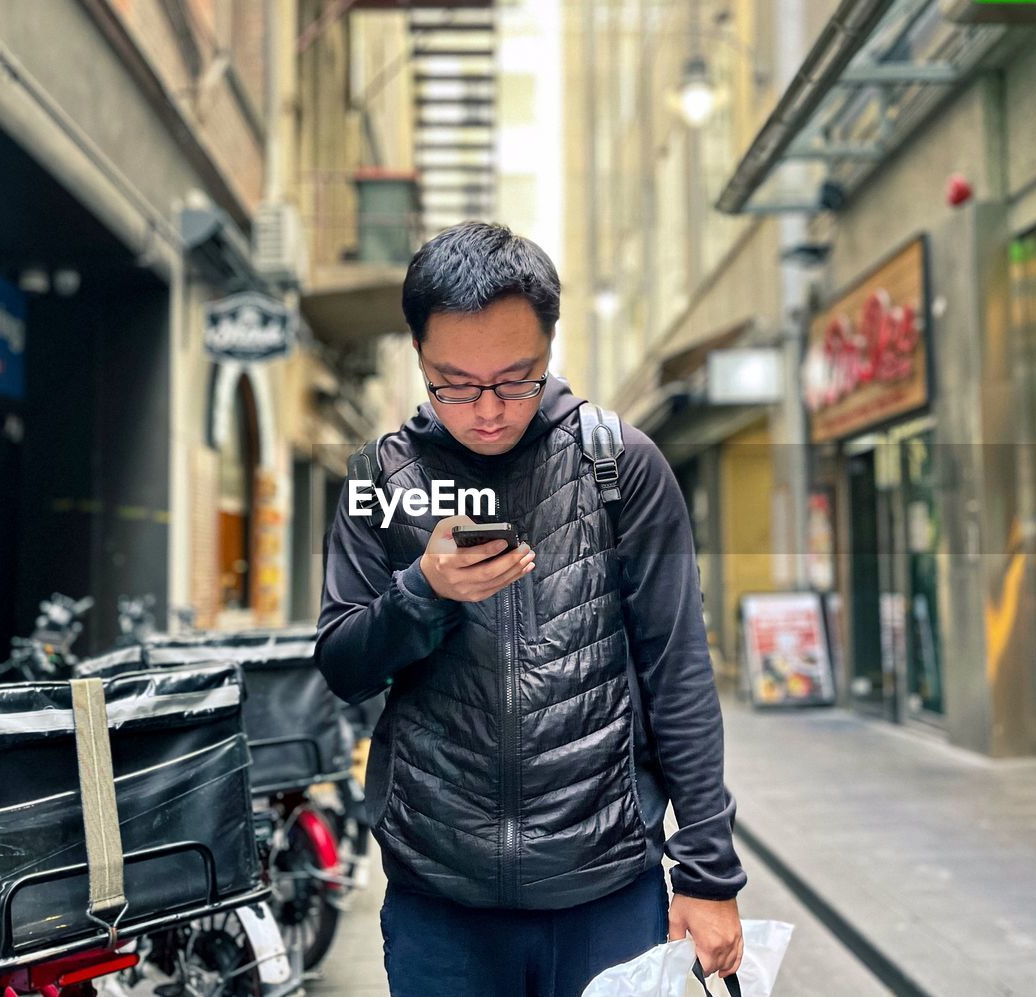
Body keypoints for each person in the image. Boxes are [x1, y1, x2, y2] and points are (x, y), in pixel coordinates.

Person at [315, 222, 745, 997]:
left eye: (515, 379)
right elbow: (341, 664)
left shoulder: (622, 466)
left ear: (549, 348)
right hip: (440, 897)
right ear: (418, 355)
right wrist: (423, 592)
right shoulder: (377, 478)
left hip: (606, 888)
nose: (487, 410)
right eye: (455, 382)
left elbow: (678, 671)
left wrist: (709, 872)